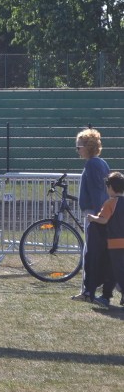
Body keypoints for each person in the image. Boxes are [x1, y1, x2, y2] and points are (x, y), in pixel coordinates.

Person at [71, 128, 114, 306]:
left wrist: (98, 214)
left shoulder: (92, 164)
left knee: (91, 253)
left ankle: (88, 291)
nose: (78, 150)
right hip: (98, 211)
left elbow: (98, 191)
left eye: (79, 147)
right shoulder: (101, 163)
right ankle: (89, 290)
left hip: (94, 212)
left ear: (87, 147)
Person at [86, 172, 124, 308]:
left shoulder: (110, 202)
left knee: (117, 271)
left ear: (111, 187)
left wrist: (92, 218)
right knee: (114, 270)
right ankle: (106, 296)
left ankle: (106, 296)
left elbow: (104, 220)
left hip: (114, 243)